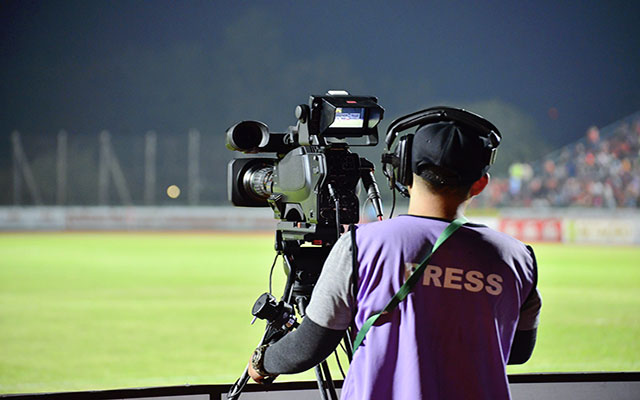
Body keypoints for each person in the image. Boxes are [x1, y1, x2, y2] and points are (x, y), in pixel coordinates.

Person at [248, 109, 542, 399]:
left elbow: (309, 347)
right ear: (480, 184)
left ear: (400, 169)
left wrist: (263, 362)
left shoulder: (360, 245)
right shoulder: (518, 258)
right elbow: (517, 351)